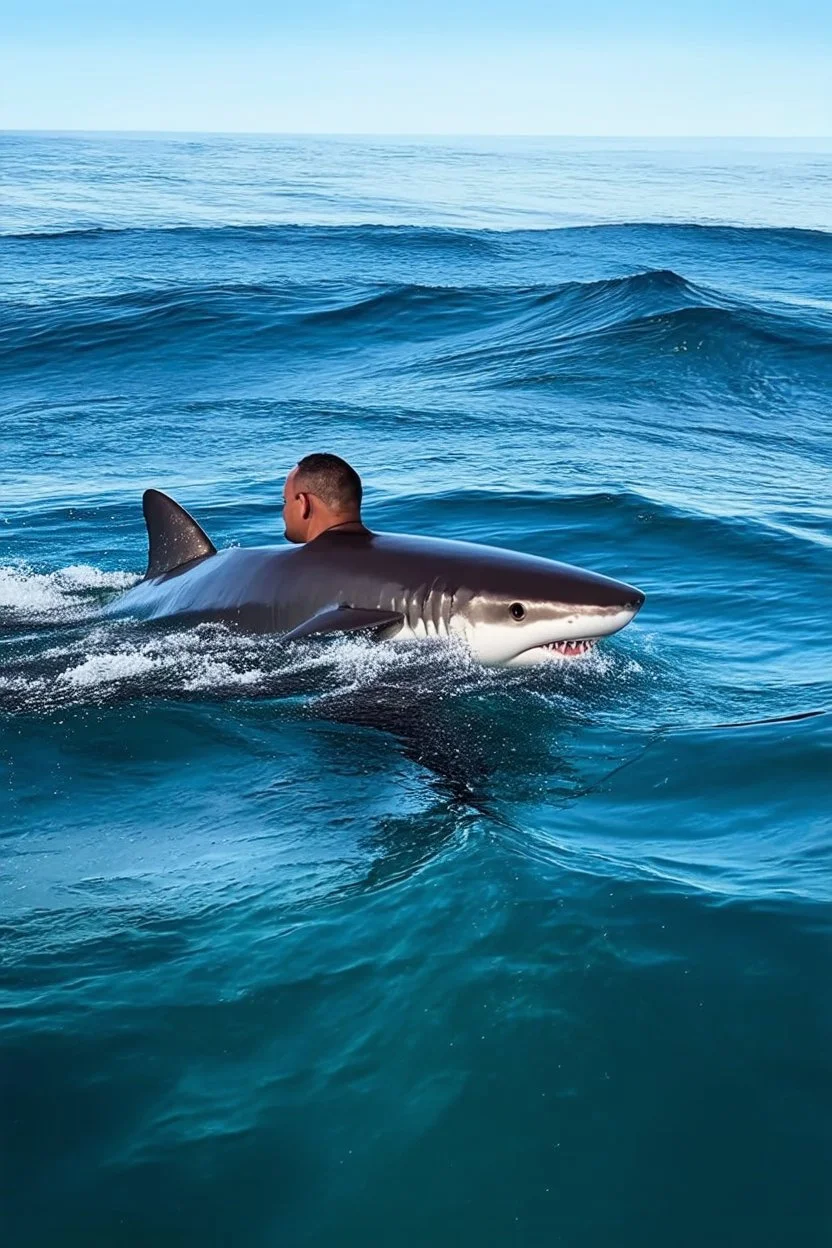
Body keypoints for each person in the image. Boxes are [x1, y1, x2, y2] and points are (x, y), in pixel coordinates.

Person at [282, 452, 368, 544]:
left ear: (304, 504)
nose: (283, 512)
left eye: (285, 501)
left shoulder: (279, 558)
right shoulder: (384, 547)